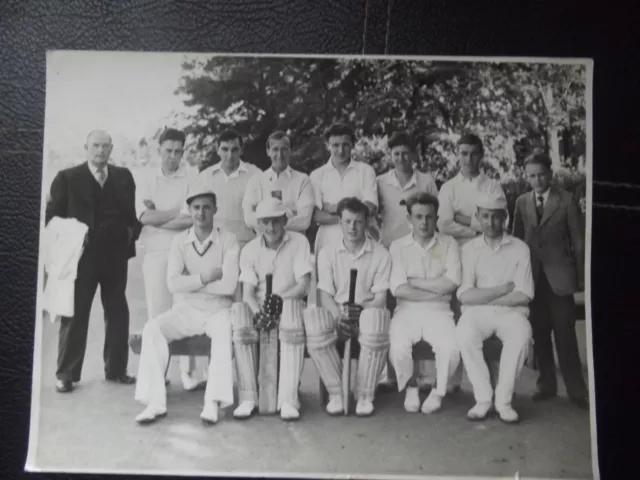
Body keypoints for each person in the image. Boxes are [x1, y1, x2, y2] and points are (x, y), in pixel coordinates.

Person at [133, 185, 240, 425]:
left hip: (219, 309)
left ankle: (212, 402)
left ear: (215, 210)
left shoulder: (229, 239)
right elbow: (172, 284)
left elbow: (229, 286)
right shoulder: (180, 241)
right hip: (187, 310)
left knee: (224, 334)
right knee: (153, 329)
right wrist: (204, 277)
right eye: (195, 208)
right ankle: (155, 403)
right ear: (189, 211)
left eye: (206, 207)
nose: (201, 213)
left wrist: (190, 283)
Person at [45, 130, 141, 393]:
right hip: (82, 258)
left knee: (118, 311)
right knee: (75, 313)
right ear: (86, 147)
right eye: (95, 146)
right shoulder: (67, 178)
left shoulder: (123, 177)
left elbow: (131, 215)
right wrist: (75, 233)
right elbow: (51, 219)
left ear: (111, 149)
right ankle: (66, 374)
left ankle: (117, 369)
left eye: (105, 146)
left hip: (115, 256)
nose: (100, 151)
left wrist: (129, 233)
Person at [512, 152, 588, 410]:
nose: (537, 179)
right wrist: (517, 277)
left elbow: (579, 242)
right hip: (533, 279)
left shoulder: (566, 200)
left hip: (560, 278)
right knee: (540, 332)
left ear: (550, 173)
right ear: (526, 176)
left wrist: (579, 279)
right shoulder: (522, 202)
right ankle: (546, 385)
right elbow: (517, 240)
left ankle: (577, 390)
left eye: (541, 173)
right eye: (532, 175)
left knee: (565, 334)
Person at [304, 197, 392, 417]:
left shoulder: (381, 254)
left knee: (376, 319)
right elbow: (324, 294)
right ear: (340, 223)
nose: (352, 227)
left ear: (366, 222)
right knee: (314, 320)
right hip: (338, 316)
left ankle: (365, 395)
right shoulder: (327, 253)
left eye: (358, 222)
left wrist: (360, 310)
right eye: (347, 221)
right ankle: (336, 393)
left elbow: (380, 298)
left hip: (366, 316)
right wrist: (339, 316)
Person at [456, 185, 534, 424]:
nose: (490, 222)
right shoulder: (469, 249)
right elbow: (465, 296)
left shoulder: (520, 248)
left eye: (496, 216)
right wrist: (501, 289)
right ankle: (483, 398)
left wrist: (483, 295)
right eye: (485, 216)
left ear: (505, 217)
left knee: (521, 334)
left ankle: (503, 401)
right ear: (478, 217)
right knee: (464, 333)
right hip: (477, 314)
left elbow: (524, 295)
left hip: (511, 314)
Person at [230, 197, 313, 420]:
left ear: (285, 220)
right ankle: (248, 397)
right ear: (258, 224)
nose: (271, 227)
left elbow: (303, 286)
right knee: (239, 315)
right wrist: (259, 312)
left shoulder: (299, 242)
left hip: (289, 303)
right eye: (265, 222)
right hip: (259, 308)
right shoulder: (248, 250)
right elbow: (247, 293)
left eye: (276, 221)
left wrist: (279, 301)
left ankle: (288, 399)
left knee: (292, 315)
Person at [437, 133, 506, 394]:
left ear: (481, 155)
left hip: (488, 257)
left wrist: (463, 219)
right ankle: (454, 380)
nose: (468, 158)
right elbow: (444, 223)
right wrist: (478, 227)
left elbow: (497, 221)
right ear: (458, 154)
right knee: (457, 315)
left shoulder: (492, 186)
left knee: (487, 313)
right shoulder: (449, 187)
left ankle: (492, 380)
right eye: (464, 153)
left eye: (473, 153)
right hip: (456, 256)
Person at [136, 128, 204, 391]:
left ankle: (189, 373)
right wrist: (177, 211)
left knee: (185, 311)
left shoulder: (192, 177)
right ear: (159, 150)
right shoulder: (146, 178)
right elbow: (144, 218)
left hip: (186, 254)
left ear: (183, 151)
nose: (173, 157)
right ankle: (159, 375)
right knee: (158, 315)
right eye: (168, 151)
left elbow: (192, 218)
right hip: (155, 254)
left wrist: (161, 215)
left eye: (178, 151)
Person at [376, 131, 439, 390]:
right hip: (390, 252)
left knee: (420, 308)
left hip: (420, 252)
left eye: (405, 153)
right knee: (390, 311)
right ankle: (390, 373)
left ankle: (424, 374)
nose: (401, 158)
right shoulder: (380, 181)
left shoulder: (426, 181)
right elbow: (371, 214)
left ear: (413, 154)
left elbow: (436, 215)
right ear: (390, 156)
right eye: (396, 153)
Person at [388, 192, 461, 414]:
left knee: (450, 348)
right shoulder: (398, 246)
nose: (424, 222)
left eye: (429, 217)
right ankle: (411, 387)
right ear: (409, 219)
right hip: (406, 311)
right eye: (418, 217)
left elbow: (453, 282)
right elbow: (398, 288)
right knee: (398, 347)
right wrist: (435, 290)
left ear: (436, 217)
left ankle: (437, 391)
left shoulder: (449, 243)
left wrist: (416, 282)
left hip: (440, 312)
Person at [309, 123, 379, 255]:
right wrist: (355, 217)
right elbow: (316, 216)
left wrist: (333, 208)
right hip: (327, 242)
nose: (341, 150)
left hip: (360, 242)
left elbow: (370, 208)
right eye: (335, 145)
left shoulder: (365, 171)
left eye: (345, 144)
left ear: (352, 144)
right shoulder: (317, 175)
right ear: (327, 145)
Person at [196, 129, 261, 249]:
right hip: (214, 246)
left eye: (234, 150)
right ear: (218, 150)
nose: (230, 155)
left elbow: (264, 211)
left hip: (246, 245)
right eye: (225, 149)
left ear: (241, 150)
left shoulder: (255, 174)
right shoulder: (205, 177)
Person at [242, 131, 315, 235]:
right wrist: (268, 230)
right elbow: (249, 219)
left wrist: (268, 223)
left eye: (284, 149)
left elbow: (304, 221)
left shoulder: (303, 180)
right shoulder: (256, 181)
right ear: (268, 151)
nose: (280, 154)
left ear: (290, 151)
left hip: (294, 242)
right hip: (264, 244)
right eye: (275, 149)